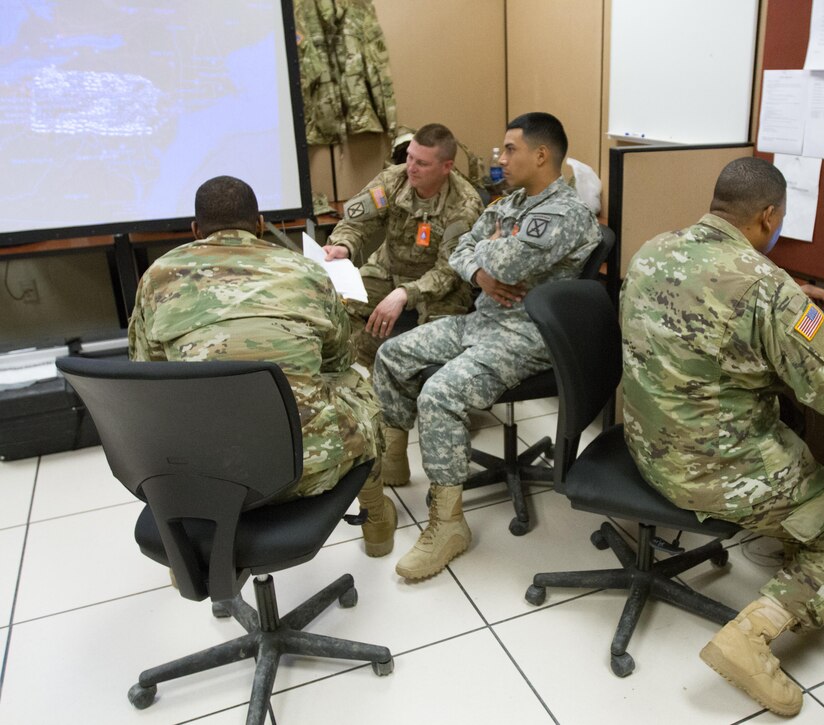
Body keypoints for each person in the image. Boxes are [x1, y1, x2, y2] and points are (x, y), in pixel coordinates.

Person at [619, 157, 824, 717]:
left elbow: (722, 300)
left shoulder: (653, 250)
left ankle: (793, 536)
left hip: (645, 445)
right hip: (713, 473)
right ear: (768, 216)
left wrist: (790, 291)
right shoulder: (768, 290)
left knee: (792, 440)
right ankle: (753, 634)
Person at [373, 112, 601, 581]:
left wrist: (489, 252)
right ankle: (393, 464)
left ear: (541, 155)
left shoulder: (565, 213)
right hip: (484, 319)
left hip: (527, 337)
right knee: (391, 352)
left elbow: (508, 262)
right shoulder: (510, 204)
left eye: (510, 149)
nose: (499, 158)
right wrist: (481, 272)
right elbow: (461, 250)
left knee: (440, 393)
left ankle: (450, 526)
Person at [129, 176, 396, 558]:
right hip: (306, 470)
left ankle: (184, 560)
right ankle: (378, 527)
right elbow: (338, 361)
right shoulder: (306, 272)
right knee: (359, 384)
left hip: (200, 478)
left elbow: (146, 374)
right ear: (259, 224)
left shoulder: (156, 277)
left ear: (194, 230)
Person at [323, 123, 483, 487]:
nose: (411, 168)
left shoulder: (464, 204)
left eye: (422, 163)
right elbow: (356, 222)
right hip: (390, 270)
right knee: (337, 307)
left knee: (425, 350)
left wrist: (406, 295)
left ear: (446, 167)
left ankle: (410, 432)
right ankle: (349, 401)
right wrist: (343, 247)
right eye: (410, 157)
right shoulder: (393, 180)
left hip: (440, 287)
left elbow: (451, 270)